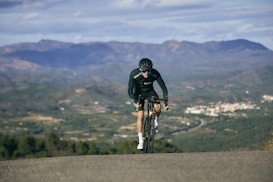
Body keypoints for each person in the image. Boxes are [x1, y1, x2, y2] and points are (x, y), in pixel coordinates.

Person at [128, 58, 168, 150]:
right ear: (140, 69)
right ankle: (140, 141)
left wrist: (166, 102)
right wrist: (135, 101)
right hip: (139, 94)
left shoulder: (155, 73)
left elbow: (164, 88)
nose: (146, 73)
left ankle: (155, 119)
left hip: (150, 92)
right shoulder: (134, 74)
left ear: (151, 69)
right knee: (140, 116)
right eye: (144, 71)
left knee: (158, 107)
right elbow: (130, 90)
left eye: (148, 71)